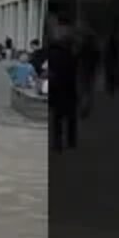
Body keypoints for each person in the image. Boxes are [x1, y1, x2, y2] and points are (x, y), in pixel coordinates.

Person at [48, 23, 80, 151]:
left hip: (58, 89)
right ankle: (70, 141)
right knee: (70, 117)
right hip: (69, 89)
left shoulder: (55, 55)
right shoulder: (72, 56)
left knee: (58, 118)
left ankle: (58, 142)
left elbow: (52, 72)